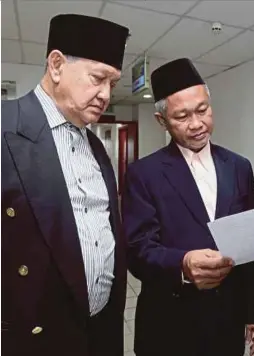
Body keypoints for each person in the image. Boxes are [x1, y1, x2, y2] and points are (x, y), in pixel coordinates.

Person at [1, 14, 130, 356]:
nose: (106, 95)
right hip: (35, 337)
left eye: (113, 84)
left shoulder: (97, 146)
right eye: (98, 78)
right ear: (56, 65)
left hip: (100, 329)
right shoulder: (5, 127)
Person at [122, 58, 254, 356]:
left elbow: (250, 244)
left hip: (226, 318)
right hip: (169, 322)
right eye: (182, 116)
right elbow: (137, 250)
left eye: (203, 110)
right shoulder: (143, 174)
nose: (197, 124)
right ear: (162, 121)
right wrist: (183, 265)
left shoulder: (239, 167)